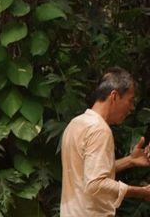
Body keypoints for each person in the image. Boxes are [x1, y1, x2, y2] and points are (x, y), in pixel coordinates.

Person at [61, 67, 150, 216]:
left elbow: (90, 172)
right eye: (130, 100)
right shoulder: (99, 129)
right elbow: (95, 184)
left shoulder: (76, 123)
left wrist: (130, 160)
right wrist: (141, 192)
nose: (132, 108)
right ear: (114, 96)